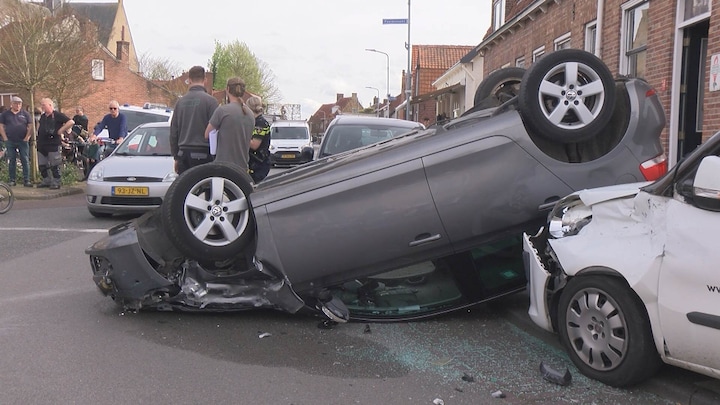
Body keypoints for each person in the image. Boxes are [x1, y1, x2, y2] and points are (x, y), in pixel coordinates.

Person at [170, 65, 219, 174]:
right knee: (205, 187)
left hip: (183, 155)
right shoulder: (211, 102)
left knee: (185, 189)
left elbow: (174, 131)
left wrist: (176, 156)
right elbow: (215, 131)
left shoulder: (180, 102)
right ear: (205, 80)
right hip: (204, 154)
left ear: (189, 80)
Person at [204, 77, 254, 182]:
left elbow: (207, 134)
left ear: (227, 89)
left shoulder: (222, 111)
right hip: (242, 167)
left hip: (223, 167)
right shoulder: (250, 114)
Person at [37, 97, 74, 189]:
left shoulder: (57, 115)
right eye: (41, 105)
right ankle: (46, 180)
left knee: (55, 164)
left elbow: (71, 121)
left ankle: (56, 182)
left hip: (53, 143)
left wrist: (61, 130)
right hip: (42, 144)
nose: (42, 107)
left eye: (44, 105)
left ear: (50, 105)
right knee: (42, 164)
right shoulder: (42, 116)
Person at [0, 96, 33, 187]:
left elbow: (30, 126)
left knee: (25, 160)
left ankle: (27, 180)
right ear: (12, 104)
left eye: (19, 104)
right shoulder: (5, 114)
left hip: (23, 140)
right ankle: (12, 180)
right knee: (12, 160)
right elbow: (1, 126)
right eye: (16, 103)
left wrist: (27, 137)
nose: (18, 105)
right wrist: (5, 138)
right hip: (10, 140)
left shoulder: (25, 114)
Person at [245, 95, 271, 183]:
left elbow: (254, 145)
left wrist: (241, 137)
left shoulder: (260, 124)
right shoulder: (257, 121)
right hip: (257, 162)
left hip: (258, 162)